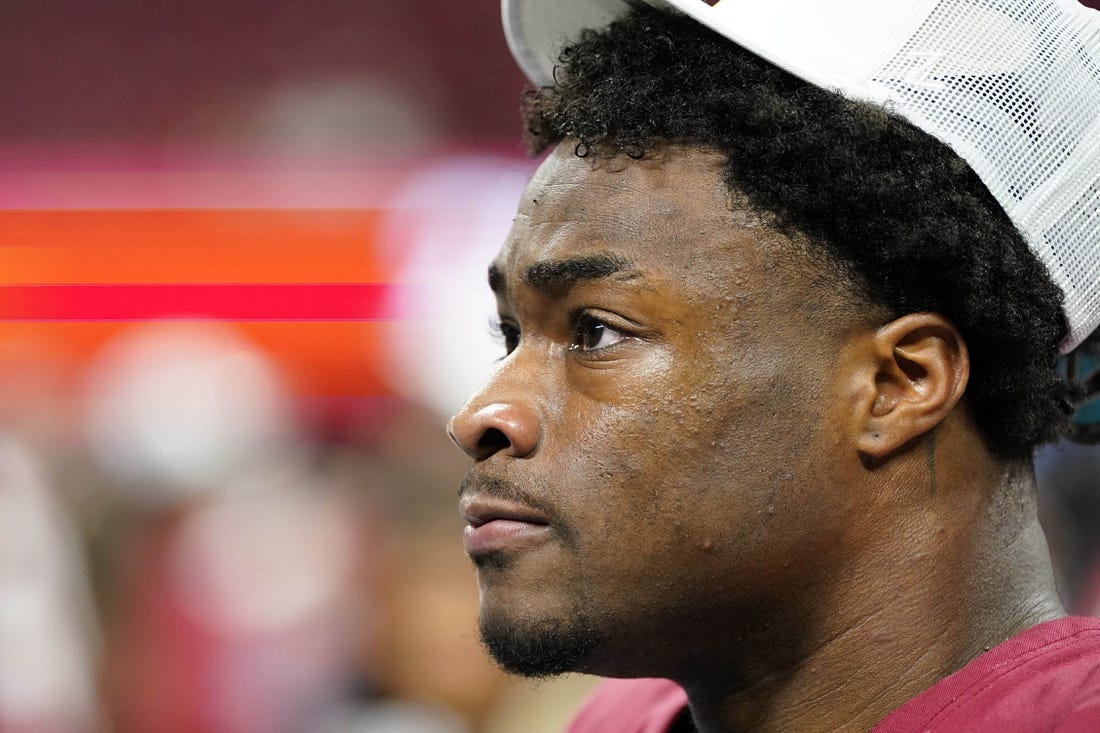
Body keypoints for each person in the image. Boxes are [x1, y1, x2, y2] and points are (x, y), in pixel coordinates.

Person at [447, 0, 1100, 730]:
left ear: (898, 384)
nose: (480, 414)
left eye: (596, 331)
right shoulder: (615, 718)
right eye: (509, 333)